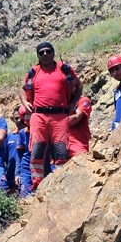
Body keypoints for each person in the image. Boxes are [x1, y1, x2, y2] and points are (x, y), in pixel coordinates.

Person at [20, 42, 80, 195]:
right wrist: (24, 102)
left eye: (48, 51)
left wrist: (73, 103)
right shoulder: (34, 72)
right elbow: (22, 89)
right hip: (39, 115)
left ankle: (62, 183)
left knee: (61, 150)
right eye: (41, 52)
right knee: (37, 150)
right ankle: (37, 185)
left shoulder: (64, 69)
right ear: (38, 56)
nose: (45, 54)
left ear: (53, 52)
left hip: (60, 115)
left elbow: (78, 85)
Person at [65, 91, 93, 160]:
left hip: (77, 144)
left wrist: (55, 121)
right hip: (62, 144)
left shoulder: (83, 100)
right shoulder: (62, 103)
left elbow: (76, 118)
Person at [9, 107, 29, 196]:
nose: (19, 120)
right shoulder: (9, 137)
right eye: (16, 118)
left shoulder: (33, 132)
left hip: (26, 170)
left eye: (21, 117)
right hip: (13, 175)